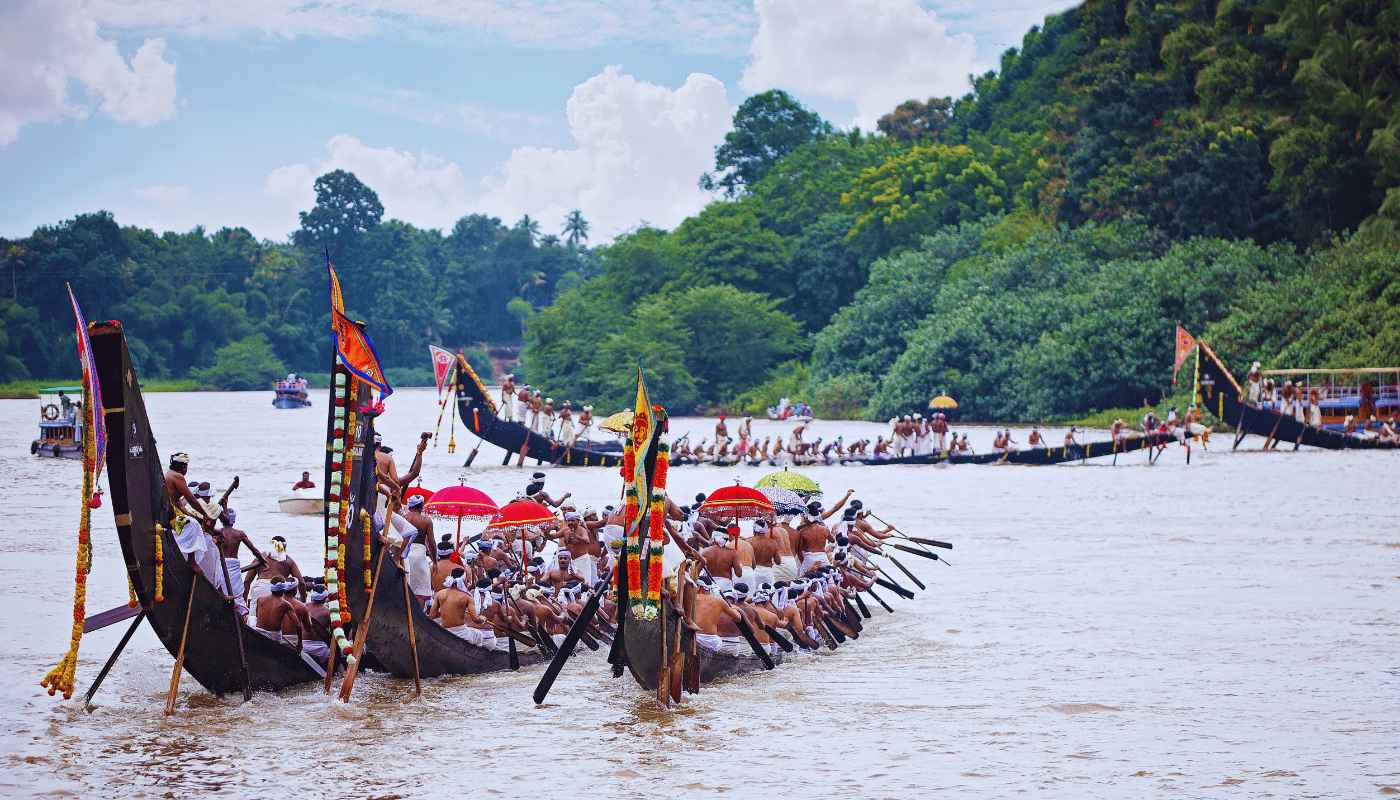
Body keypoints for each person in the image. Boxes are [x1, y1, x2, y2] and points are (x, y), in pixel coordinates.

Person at [163, 453, 223, 587]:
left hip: (170, 512)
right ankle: (191, 561)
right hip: (171, 516)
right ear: (183, 466)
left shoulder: (169, 474)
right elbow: (191, 499)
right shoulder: (177, 476)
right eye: (186, 466)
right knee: (193, 525)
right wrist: (205, 514)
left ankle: (186, 556)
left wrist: (195, 515)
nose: (186, 469)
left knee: (192, 520)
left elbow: (179, 503)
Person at [214, 508, 263, 617]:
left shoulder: (218, 532)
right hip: (232, 566)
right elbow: (254, 551)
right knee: (236, 594)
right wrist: (263, 561)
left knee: (222, 589)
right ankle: (240, 614)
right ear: (234, 520)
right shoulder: (239, 534)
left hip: (222, 565)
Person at [251, 535, 305, 612]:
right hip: (278, 589)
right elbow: (301, 582)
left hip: (260, 587)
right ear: (284, 547)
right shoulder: (288, 560)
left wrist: (243, 601)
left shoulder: (259, 558)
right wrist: (303, 601)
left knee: (254, 618)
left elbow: (247, 581)